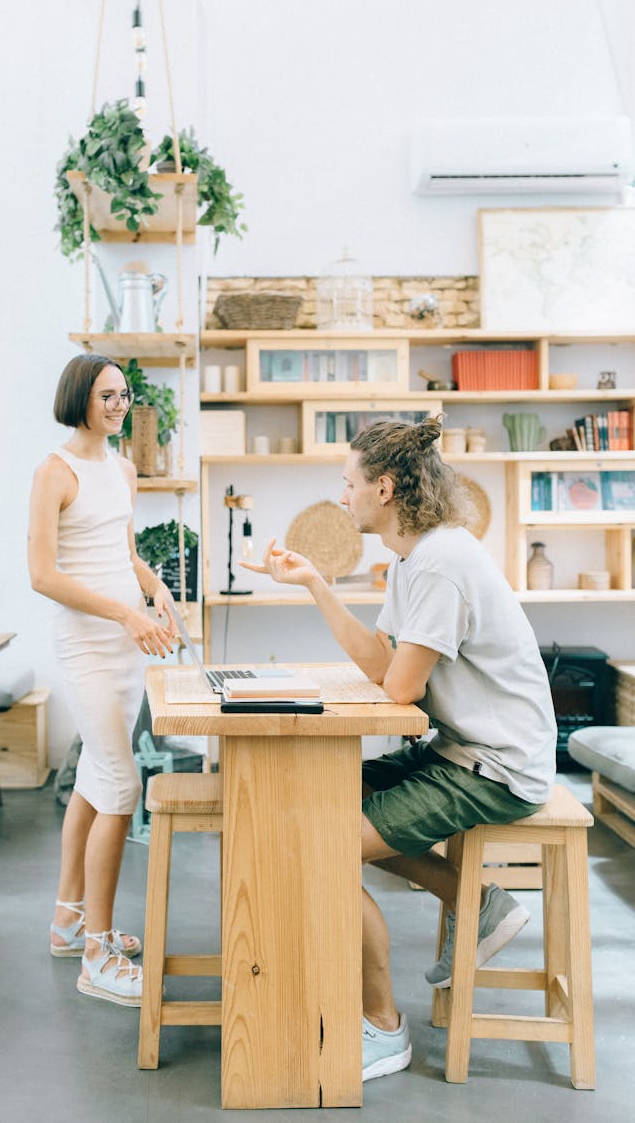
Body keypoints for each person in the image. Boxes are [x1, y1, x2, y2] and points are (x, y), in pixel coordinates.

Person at [242, 416, 556, 1081]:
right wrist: (316, 585)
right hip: (464, 747)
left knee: (326, 847)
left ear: (384, 489)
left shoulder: (441, 563)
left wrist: (385, 670)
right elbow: (382, 662)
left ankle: (384, 1025)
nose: (342, 495)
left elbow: (399, 687)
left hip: (497, 765)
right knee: (331, 792)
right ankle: (475, 900)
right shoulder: (413, 560)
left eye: (348, 482)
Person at [28, 353, 177, 1007]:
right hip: (88, 644)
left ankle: (68, 921)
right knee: (120, 787)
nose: (119, 405)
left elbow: (120, 549)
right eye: (107, 395)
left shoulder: (123, 468)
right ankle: (98, 951)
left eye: (124, 394)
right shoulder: (53, 472)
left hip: (128, 644)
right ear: (78, 399)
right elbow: (43, 574)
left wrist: (155, 586)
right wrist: (123, 610)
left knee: (96, 776)